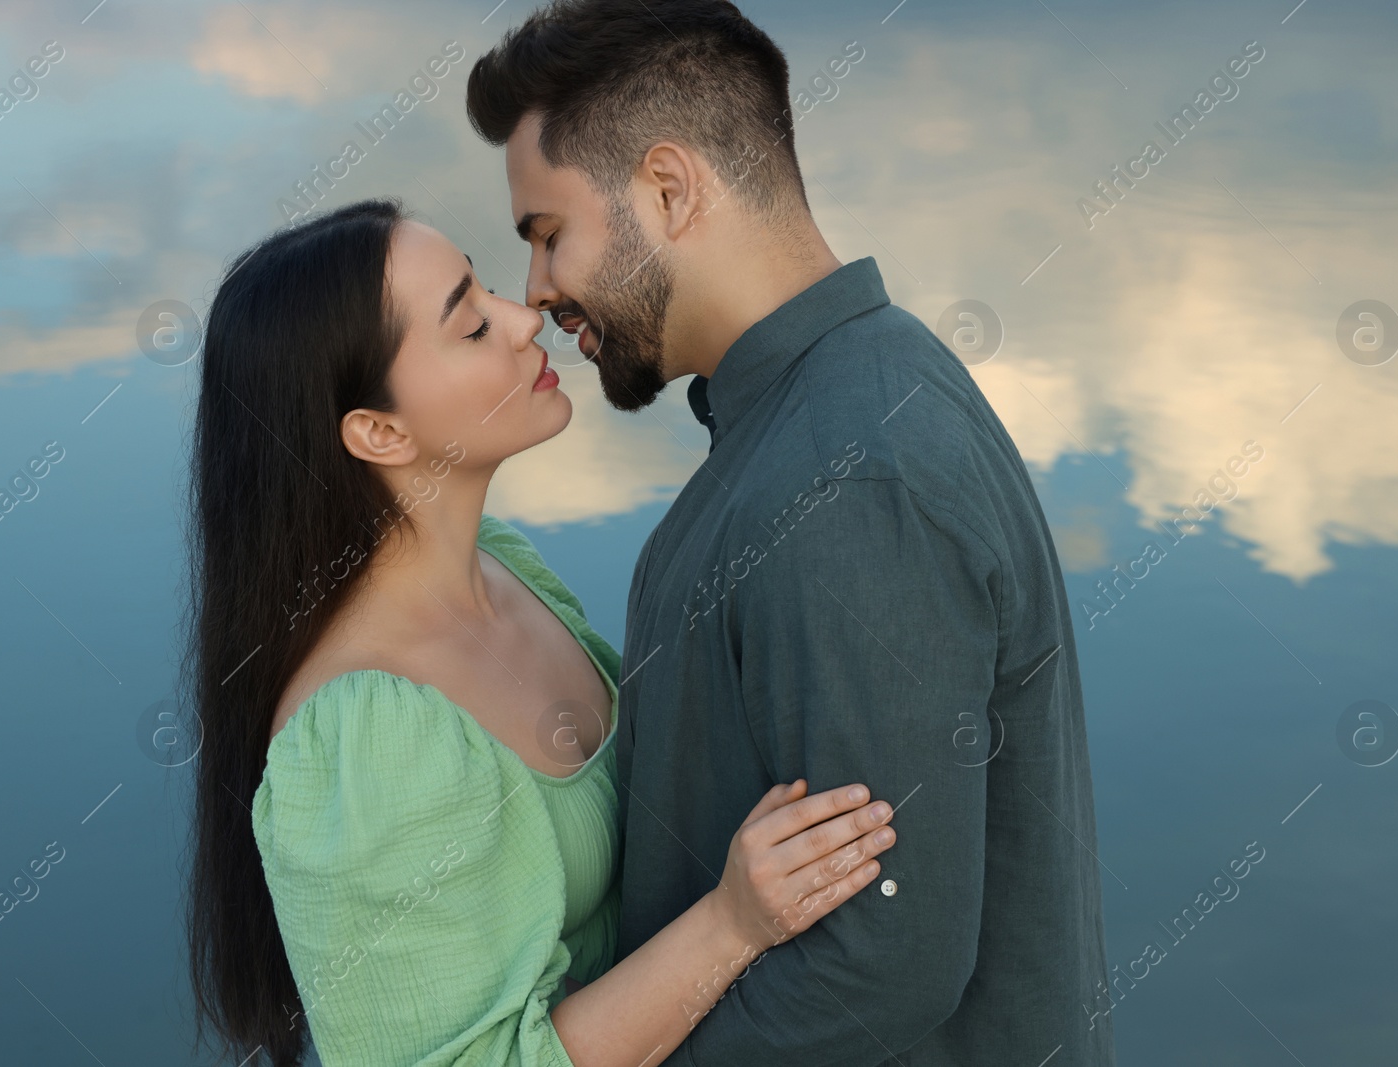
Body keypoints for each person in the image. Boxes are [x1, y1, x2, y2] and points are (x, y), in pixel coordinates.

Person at [466, 1, 1114, 1063]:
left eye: (548, 234)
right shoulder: (844, 393)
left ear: (668, 190)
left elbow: (881, 954)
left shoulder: (851, 478)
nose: (537, 292)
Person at [183, 198, 900, 1067]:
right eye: (472, 325)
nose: (529, 320)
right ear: (379, 431)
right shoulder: (364, 738)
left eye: (490, 290)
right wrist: (731, 923)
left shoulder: (504, 564)